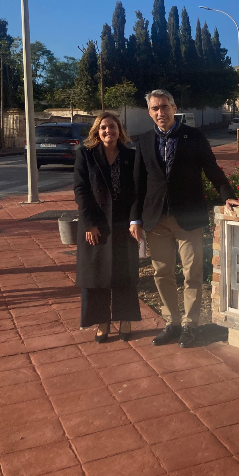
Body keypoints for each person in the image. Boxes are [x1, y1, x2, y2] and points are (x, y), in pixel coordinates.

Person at [130, 89, 239, 348]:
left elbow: (212, 168)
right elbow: (138, 183)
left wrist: (227, 195)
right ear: (149, 112)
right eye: (155, 108)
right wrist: (135, 219)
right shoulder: (145, 140)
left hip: (189, 217)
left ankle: (190, 325)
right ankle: (172, 322)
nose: (160, 112)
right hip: (156, 218)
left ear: (174, 107)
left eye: (164, 107)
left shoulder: (193, 136)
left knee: (192, 273)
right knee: (163, 273)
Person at [74, 112, 141, 343]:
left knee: (125, 273)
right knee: (97, 275)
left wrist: (135, 220)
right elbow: (81, 190)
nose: (107, 131)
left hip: (124, 224)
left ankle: (125, 319)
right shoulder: (86, 155)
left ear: (119, 130)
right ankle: (102, 321)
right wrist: (90, 223)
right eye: (103, 127)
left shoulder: (130, 156)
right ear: (96, 131)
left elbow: (136, 191)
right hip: (96, 225)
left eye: (112, 127)